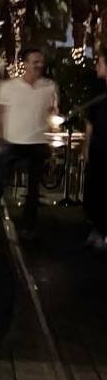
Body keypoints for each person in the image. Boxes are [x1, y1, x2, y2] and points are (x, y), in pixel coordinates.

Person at [0, 47, 59, 238]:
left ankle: (29, 225)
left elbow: (52, 111)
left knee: (33, 187)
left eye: (41, 61)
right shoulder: (8, 87)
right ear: (25, 64)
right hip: (12, 141)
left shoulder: (49, 86)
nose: (39, 65)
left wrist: (52, 127)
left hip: (37, 141)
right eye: (35, 61)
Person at [82, 46, 107, 250]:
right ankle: (98, 229)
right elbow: (90, 123)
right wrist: (86, 148)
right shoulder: (98, 92)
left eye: (99, 62)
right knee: (96, 191)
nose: (97, 66)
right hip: (99, 150)